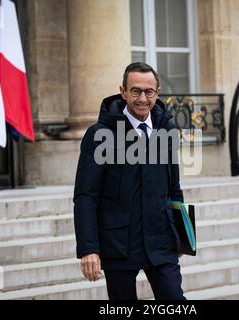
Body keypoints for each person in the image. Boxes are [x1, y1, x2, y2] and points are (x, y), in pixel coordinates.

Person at [73, 62, 186, 300]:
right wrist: (89, 248)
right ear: (123, 91)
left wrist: (183, 237)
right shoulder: (100, 135)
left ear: (157, 92)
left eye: (149, 92)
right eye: (135, 91)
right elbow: (86, 195)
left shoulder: (167, 131)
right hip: (119, 243)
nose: (142, 98)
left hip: (161, 239)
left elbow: (174, 188)